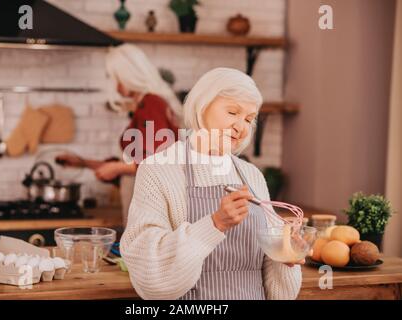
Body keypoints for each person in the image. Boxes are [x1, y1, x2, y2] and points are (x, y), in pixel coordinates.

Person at [120, 67, 304, 300]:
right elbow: (149, 272)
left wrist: (285, 255)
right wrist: (215, 225)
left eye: (249, 119)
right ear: (203, 106)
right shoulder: (158, 169)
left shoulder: (251, 175)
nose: (241, 126)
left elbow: (280, 293)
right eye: (232, 112)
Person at [57, 44, 182, 227]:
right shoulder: (146, 105)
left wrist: (116, 168)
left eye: (117, 78)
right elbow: (134, 165)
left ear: (130, 75)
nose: (115, 86)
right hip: (143, 202)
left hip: (149, 205)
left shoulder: (151, 103)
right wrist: (82, 162)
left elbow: (157, 162)